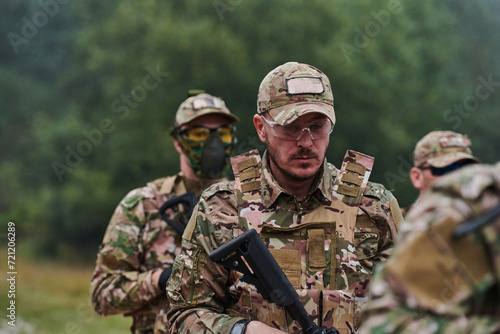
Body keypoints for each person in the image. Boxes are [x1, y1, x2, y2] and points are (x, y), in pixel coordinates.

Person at [165, 62, 403, 334]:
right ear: (261, 128)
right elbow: (183, 316)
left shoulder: (374, 206)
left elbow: (418, 308)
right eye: (291, 127)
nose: (305, 141)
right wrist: (244, 331)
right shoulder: (221, 207)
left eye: (317, 126)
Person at [90, 91, 239, 334]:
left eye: (221, 133)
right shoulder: (144, 204)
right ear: (178, 141)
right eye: (199, 133)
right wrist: (161, 279)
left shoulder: (248, 204)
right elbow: (102, 295)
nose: (213, 143)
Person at [358, 161, 500, 333]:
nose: (454, 174)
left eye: (463, 167)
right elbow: (387, 322)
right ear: (417, 177)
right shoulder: (472, 204)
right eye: (444, 168)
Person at [404, 130, 479, 215]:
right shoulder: (396, 225)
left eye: (465, 169)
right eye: (445, 170)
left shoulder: (488, 222)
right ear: (417, 177)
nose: (458, 178)